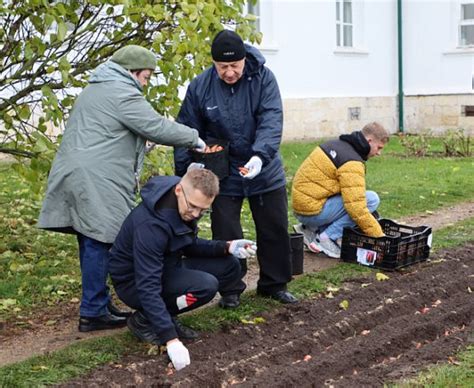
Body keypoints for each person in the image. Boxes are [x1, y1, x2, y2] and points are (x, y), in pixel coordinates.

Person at [38, 45, 207, 332]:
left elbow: (112, 132)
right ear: (132, 71)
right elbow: (155, 126)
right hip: (96, 177)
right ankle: (93, 312)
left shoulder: (97, 88)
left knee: (89, 237)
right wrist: (195, 139)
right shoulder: (121, 91)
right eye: (145, 77)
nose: (145, 83)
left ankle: (97, 304)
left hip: (77, 172)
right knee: (100, 239)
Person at [174, 30, 297, 306]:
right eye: (222, 67)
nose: (229, 72)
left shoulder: (264, 79)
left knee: (273, 227)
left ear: (244, 59)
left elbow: (271, 119)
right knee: (225, 229)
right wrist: (188, 164)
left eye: (234, 66)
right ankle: (231, 288)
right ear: (214, 64)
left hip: (262, 167)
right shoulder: (201, 86)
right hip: (223, 169)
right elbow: (187, 128)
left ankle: (274, 284)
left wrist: (260, 156)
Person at [108, 169, 255, 371]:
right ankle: (144, 320)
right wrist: (171, 339)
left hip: (166, 266)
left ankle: (162, 315)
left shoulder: (181, 202)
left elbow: (188, 243)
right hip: (134, 282)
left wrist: (227, 246)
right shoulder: (151, 227)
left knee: (228, 263)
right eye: (193, 207)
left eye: (202, 210)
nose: (195, 214)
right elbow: (147, 285)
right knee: (205, 286)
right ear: (179, 190)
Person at [292, 122, 390, 258]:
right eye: (379, 147)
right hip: (312, 212)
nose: (379, 153)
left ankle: (309, 230)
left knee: (356, 198)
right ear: (369, 141)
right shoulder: (351, 161)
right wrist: (380, 237)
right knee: (371, 199)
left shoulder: (337, 144)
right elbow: (357, 208)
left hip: (302, 207)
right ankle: (326, 238)